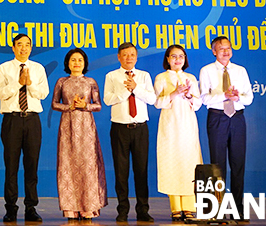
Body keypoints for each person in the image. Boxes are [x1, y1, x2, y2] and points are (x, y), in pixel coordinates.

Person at [0, 33, 49, 222]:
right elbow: (0, 93)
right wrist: (18, 84)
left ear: (31, 47)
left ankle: (31, 207)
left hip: (33, 120)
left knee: (31, 165)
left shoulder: (38, 68)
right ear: (13, 47)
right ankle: (11, 208)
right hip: (12, 120)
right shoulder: (4, 68)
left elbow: (43, 93)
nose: (24, 48)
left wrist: (29, 84)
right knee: (11, 165)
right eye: (20, 45)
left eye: (27, 45)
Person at [199, 36, 253, 221]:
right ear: (214, 51)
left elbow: (249, 97)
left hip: (237, 119)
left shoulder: (240, 70)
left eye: (228, 48)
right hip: (217, 118)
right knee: (218, 166)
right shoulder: (206, 71)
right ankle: (217, 210)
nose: (225, 51)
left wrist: (238, 98)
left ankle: (238, 209)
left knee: (238, 165)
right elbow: (204, 98)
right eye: (221, 49)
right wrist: (224, 95)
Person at [51, 48, 107, 220]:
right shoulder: (62, 82)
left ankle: (88, 208)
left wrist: (86, 106)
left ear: (85, 63)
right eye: (73, 60)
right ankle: (70, 209)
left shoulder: (91, 82)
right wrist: (70, 107)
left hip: (86, 128)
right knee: (68, 164)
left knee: (88, 165)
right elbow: (54, 104)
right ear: (68, 63)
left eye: (80, 60)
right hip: (67, 126)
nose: (76, 63)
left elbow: (98, 105)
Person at [103, 42, 156, 223]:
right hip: (119, 128)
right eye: (125, 55)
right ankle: (122, 210)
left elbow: (151, 98)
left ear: (136, 56)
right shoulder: (111, 76)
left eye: (132, 55)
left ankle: (143, 209)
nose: (129, 58)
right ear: (119, 57)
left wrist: (136, 88)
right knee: (121, 171)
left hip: (140, 128)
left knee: (141, 170)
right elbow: (108, 100)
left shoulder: (144, 76)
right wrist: (125, 92)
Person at [154, 45, 203, 221]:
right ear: (167, 59)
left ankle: (189, 208)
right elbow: (157, 103)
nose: (177, 60)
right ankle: (175, 208)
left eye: (181, 56)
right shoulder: (161, 77)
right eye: (173, 56)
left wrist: (189, 95)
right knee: (172, 164)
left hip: (188, 126)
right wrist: (175, 93)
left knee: (189, 164)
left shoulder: (191, 78)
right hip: (170, 126)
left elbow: (198, 104)